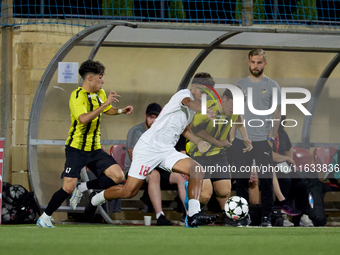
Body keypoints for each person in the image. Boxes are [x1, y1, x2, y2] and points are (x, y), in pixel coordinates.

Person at [90, 72, 220, 228]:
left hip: (166, 150)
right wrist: (205, 110)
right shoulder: (184, 95)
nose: (203, 95)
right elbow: (188, 102)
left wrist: (198, 141)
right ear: (193, 87)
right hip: (148, 149)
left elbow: (184, 129)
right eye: (201, 91)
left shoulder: (194, 108)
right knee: (129, 191)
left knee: (197, 169)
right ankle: (96, 198)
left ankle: (193, 215)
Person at [36, 60, 133, 228]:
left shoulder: (100, 93)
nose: (103, 81)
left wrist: (119, 111)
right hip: (76, 149)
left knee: (118, 176)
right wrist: (105, 104)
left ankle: (82, 188)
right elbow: (83, 119)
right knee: (67, 188)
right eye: (100, 77)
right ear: (90, 78)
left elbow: (105, 110)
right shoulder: (76, 96)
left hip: (94, 148)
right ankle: (44, 217)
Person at [187, 85, 252, 227]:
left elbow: (238, 118)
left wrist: (245, 136)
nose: (235, 109)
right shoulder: (208, 109)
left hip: (218, 154)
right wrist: (217, 142)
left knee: (224, 191)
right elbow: (194, 128)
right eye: (234, 104)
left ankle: (227, 216)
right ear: (224, 99)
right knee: (205, 195)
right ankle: (190, 212)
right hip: (200, 153)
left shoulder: (234, 110)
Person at [230, 49, 281, 227]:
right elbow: (235, 113)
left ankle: (267, 216)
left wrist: (270, 137)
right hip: (242, 141)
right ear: (248, 62)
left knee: (266, 180)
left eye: (259, 62)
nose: (255, 66)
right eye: (253, 62)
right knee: (242, 181)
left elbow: (277, 113)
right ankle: (242, 216)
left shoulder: (273, 85)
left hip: (262, 141)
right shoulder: (240, 84)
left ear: (265, 64)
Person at [124, 102, 187, 226]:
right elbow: (134, 157)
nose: (153, 120)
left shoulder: (163, 132)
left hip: (159, 168)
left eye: (156, 118)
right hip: (137, 169)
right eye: (151, 117)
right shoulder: (136, 131)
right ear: (145, 117)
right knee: (155, 174)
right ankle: (160, 216)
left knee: (181, 176)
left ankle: (189, 214)